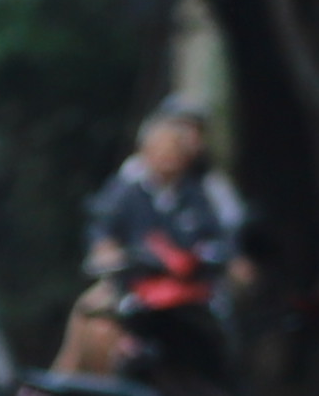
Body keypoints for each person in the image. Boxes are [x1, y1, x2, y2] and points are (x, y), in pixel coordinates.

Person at [85, 100, 248, 300]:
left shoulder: (203, 188)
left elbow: (223, 231)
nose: (168, 156)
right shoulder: (127, 186)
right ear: (144, 150)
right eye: (161, 149)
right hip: (138, 283)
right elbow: (102, 224)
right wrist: (105, 247)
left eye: (175, 149)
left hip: (193, 285)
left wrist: (229, 257)